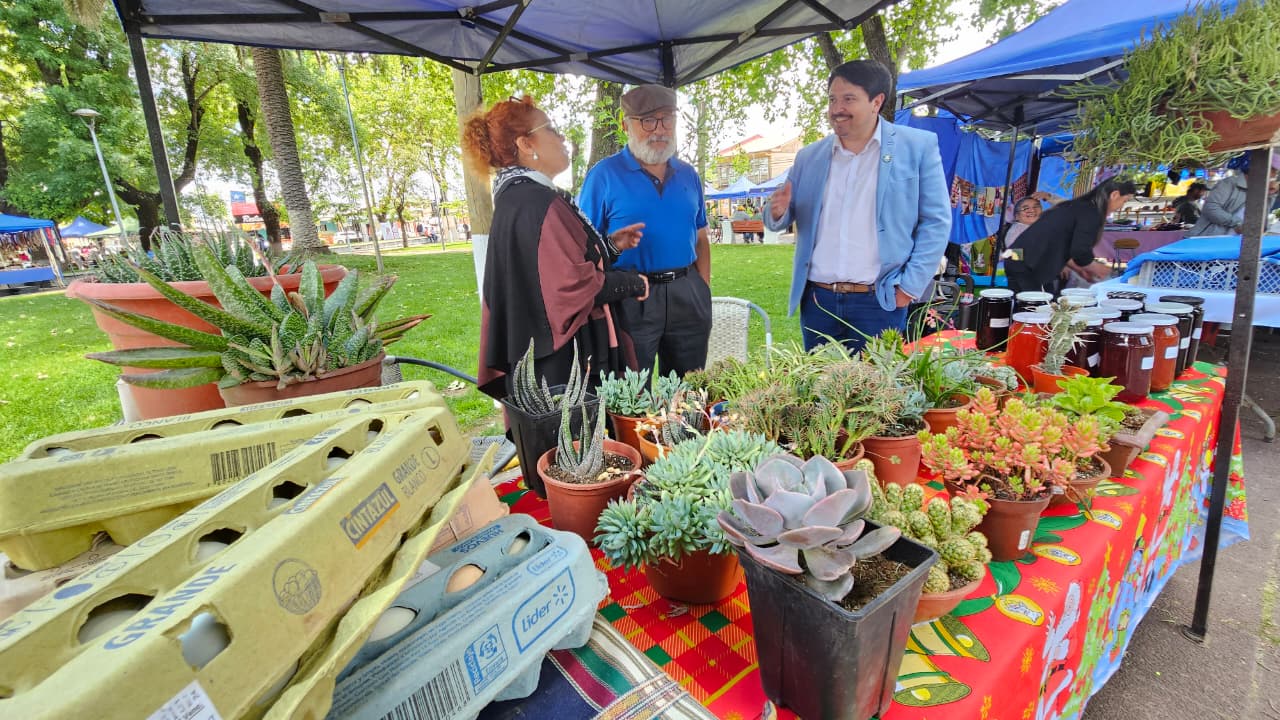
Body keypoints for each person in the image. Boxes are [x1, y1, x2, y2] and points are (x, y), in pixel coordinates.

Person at [462, 96, 648, 399]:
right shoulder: (536, 202)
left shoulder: (519, 198)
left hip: (546, 361)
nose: (562, 137)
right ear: (525, 144)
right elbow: (572, 286)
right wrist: (632, 282)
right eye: (551, 129)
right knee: (577, 442)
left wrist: (611, 246)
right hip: (563, 367)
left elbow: (552, 271)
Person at [765, 59, 951, 352]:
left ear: (877, 101)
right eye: (832, 99)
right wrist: (778, 212)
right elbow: (781, 214)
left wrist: (909, 287)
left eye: (848, 99)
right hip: (818, 301)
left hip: (879, 301)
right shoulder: (808, 157)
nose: (836, 108)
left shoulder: (917, 147)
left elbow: (936, 221)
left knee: (877, 394)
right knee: (818, 392)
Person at [579, 84, 712, 377]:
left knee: (688, 390)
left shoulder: (689, 175)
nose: (659, 130)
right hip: (631, 298)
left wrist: (702, 288)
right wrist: (611, 246)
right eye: (648, 121)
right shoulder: (603, 176)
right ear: (627, 125)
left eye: (667, 119)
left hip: (687, 293)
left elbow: (701, 237)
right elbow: (580, 246)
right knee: (631, 394)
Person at [1002, 176, 1136, 293]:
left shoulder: (1076, 209)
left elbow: (1061, 245)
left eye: (1036, 207)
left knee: (1032, 307)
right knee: (1033, 309)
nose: (1122, 206)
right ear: (1114, 195)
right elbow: (1079, 251)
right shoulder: (1089, 212)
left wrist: (1078, 268)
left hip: (1026, 266)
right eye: (1124, 201)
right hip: (1027, 267)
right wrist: (1093, 266)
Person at [1188, 154, 1280, 237]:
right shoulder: (1229, 184)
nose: (1274, 175)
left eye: (1276, 172)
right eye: (1273, 170)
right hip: (1208, 241)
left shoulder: (1260, 190)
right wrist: (1237, 223)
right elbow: (1211, 208)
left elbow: (1261, 220)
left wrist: (1271, 194)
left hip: (1234, 246)